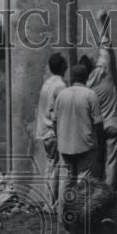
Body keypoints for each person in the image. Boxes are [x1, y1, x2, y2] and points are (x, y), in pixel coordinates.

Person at [80, 9, 117, 190]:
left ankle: (97, 194)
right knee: (112, 161)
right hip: (114, 122)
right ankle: (109, 194)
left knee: (96, 161)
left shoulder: (84, 88)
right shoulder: (104, 70)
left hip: (96, 127)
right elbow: (105, 45)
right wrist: (101, 21)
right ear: (93, 65)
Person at [53, 62, 103, 206]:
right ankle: (79, 214)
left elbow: (54, 121)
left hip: (64, 146)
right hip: (85, 145)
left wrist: (59, 139)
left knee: (66, 181)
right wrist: (99, 142)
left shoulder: (62, 95)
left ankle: (62, 213)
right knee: (83, 181)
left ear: (72, 77)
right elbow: (98, 123)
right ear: (86, 77)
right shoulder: (91, 95)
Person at [34, 52, 68, 208]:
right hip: (53, 131)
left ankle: (49, 201)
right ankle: (52, 203)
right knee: (56, 168)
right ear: (62, 67)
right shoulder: (60, 85)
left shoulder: (46, 83)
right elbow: (62, 110)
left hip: (44, 131)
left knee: (50, 166)